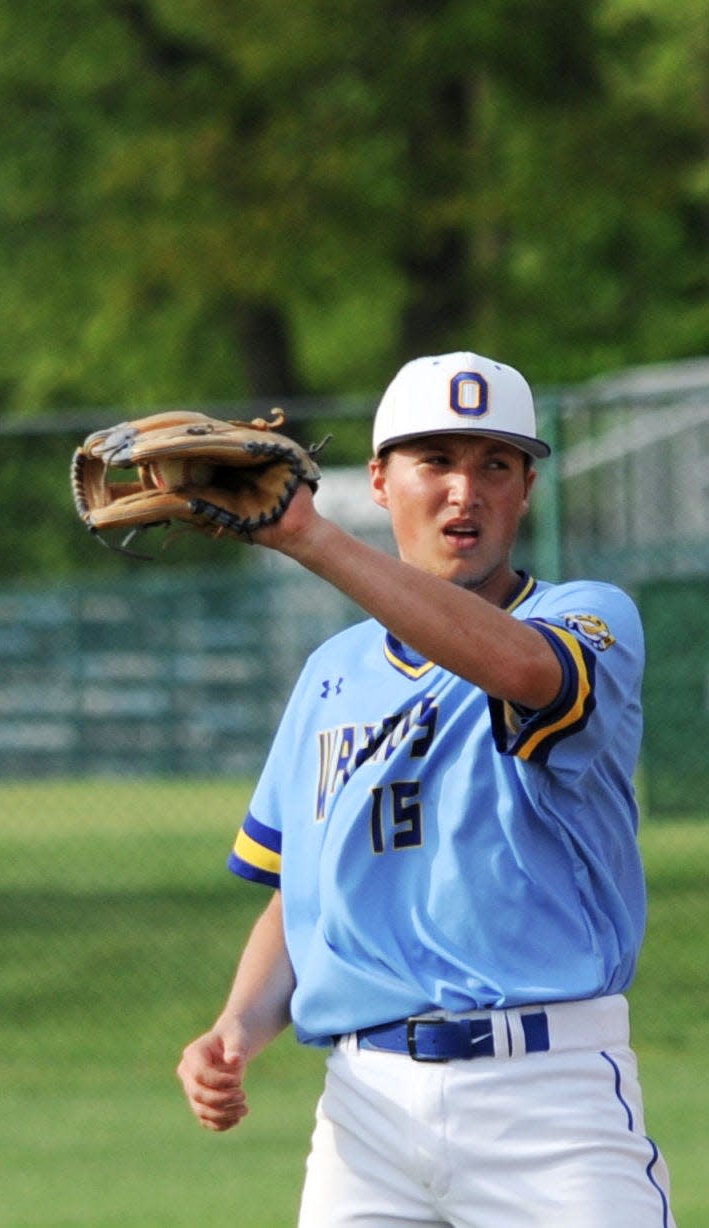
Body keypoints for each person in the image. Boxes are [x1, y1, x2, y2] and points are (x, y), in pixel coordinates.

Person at [177, 352, 676, 1228]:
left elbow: (523, 670)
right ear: (378, 480)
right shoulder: (331, 674)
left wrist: (312, 540)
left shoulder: (587, 618)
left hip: (547, 1098)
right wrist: (236, 1029)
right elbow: (306, 889)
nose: (464, 491)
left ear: (526, 488)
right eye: (434, 460)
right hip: (362, 1115)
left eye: (494, 464)